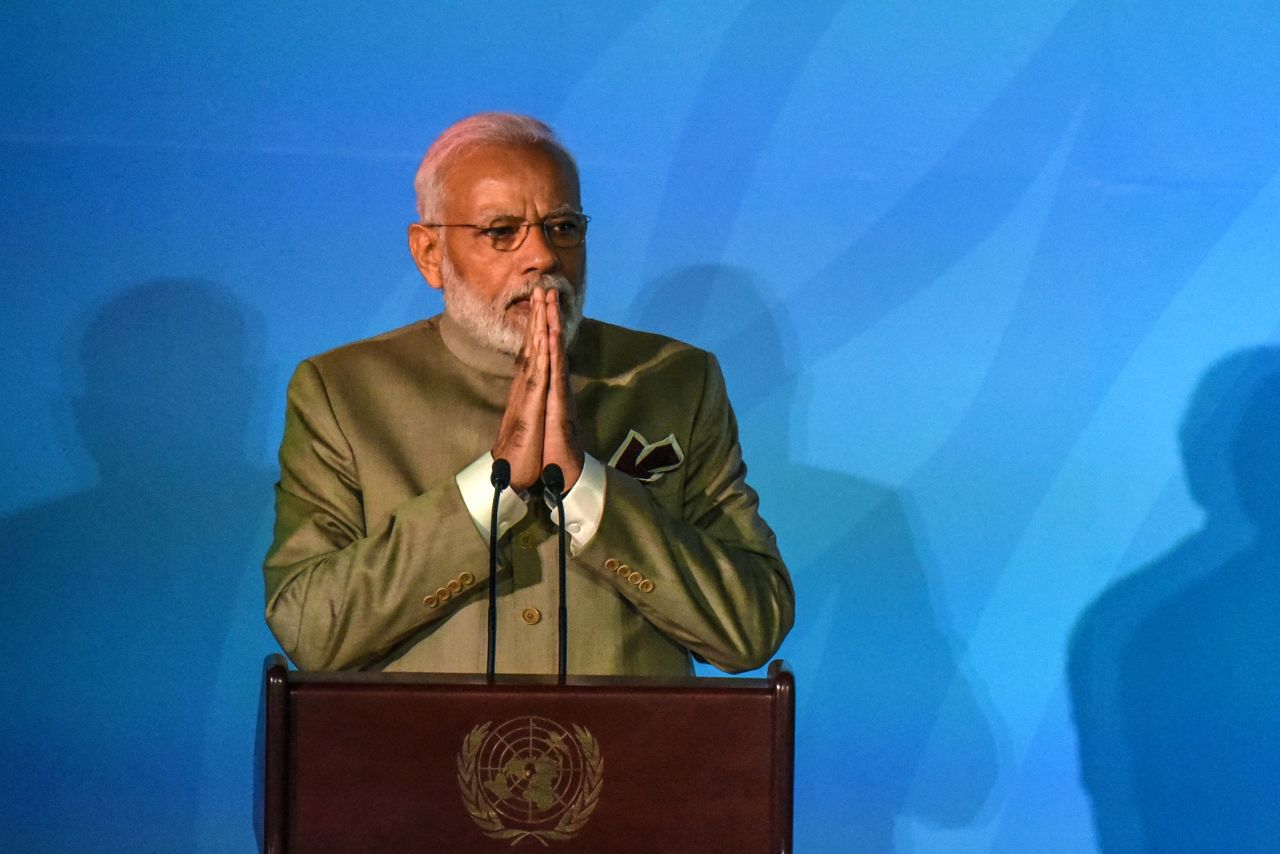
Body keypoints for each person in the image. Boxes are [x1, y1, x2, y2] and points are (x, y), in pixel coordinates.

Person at [263, 113, 793, 676]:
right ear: (429, 254)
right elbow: (309, 628)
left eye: (562, 227)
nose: (542, 257)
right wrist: (484, 494)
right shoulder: (344, 394)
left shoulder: (675, 381)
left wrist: (590, 490)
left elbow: (752, 626)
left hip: (633, 759)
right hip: (422, 759)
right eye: (501, 231)